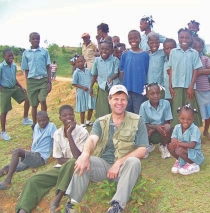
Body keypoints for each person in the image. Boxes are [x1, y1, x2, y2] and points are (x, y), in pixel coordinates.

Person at [64, 85, 148, 213]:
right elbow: (92, 139)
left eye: (123, 99)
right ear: (109, 100)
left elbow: (142, 149)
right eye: (116, 99)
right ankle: (73, 204)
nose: (119, 103)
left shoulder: (137, 120)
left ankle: (116, 206)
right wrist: (85, 154)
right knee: (85, 160)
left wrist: (119, 163)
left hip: (124, 168)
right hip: (103, 167)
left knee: (134, 162)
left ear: (127, 101)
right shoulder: (100, 121)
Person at [15, 105, 88, 213]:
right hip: (62, 167)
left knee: (73, 161)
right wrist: (68, 162)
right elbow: (59, 160)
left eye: (71, 114)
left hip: (78, 169)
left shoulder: (83, 132)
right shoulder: (57, 134)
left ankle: (56, 200)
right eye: (64, 115)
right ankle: (23, 209)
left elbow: (78, 158)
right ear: (60, 118)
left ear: (74, 115)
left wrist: (69, 134)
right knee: (33, 180)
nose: (68, 117)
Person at [0, 111, 56, 190]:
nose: (42, 122)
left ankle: (7, 181)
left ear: (48, 119)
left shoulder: (51, 126)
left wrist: (57, 155)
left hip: (40, 158)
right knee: (8, 167)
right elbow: (34, 140)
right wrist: (29, 154)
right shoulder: (36, 126)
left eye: (44, 120)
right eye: (39, 121)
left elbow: (55, 140)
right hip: (33, 155)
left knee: (17, 151)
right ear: (36, 120)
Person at [168, 28, 203, 127]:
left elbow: (196, 70)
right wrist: (170, 85)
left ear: (191, 38)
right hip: (176, 85)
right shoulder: (173, 52)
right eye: (181, 37)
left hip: (189, 87)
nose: (184, 39)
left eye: (187, 37)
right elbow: (171, 69)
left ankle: (192, 133)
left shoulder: (194, 53)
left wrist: (191, 86)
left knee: (190, 109)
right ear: (178, 38)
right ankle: (176, 133)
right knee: (177, 109)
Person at [21, 32, 52, 129]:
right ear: (30, 40)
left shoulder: (44, 52)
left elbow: (48, 67)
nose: (35, 40)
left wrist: (49, 81)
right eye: (33, 39)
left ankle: (45, 121)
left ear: (39, 40)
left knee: (42, 100)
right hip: (31, 81)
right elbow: (26, 69)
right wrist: (27, 83)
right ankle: (35, 123)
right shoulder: (26, 53)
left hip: (43, 79)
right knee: (33, 104)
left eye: (37, 39)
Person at [0, 49, 33, 141]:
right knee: (4, 111)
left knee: (27, 99)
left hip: (14, 87)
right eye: (8, 56)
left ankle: (25, 119)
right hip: (5, 90)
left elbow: (14, 78)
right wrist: (2, 89)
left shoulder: (14, 66)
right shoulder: (1, 67)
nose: (11, 57)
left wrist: (21, 87)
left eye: (12, 56)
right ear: (4, 57)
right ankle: (3, 132)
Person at [168, 104, 204, 175]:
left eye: (189, 119)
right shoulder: (177, 127)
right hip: (184, 151)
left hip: (195, 154)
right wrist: (173, 142)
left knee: (179, 149)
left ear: (193, 119)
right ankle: (180, 161)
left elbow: (192, 145)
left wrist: (178, 143)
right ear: (178, 117)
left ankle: (193, 164)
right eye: (182, 118)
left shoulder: (195, 129)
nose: (185, 121)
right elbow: (173, 138)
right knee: (170, 147)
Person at [139, 83, 173, 159]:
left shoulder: (166, 103)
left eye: (158, 93)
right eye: (152, 94)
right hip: (149, 130)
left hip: (162, 130)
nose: (156, 95)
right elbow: (145, 123)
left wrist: (155, 129)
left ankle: (163, 145)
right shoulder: (143, 106)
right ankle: (148, 145)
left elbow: (167, 121)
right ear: (147, 95)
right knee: (141, 128)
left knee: (168, 127)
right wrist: (155, 127)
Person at [119, 30, 149, 114]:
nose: (133, 40)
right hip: (127, 89)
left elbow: (146, 71)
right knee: (127, 112)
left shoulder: (145, 55)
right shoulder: (125, 54)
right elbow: (122, 72)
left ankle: (138, 127)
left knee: (138, 113)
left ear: (140, 39)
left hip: (139, 89)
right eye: (130, 38)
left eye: (136, 38)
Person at [192, 37, 210, 140]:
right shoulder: (190, 58)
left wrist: (200, 72)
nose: (197, 49)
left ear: (202, 48)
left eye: (200, 47)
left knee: (208, 111)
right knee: (196, 112)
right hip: (194, 90)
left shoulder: (205, 59)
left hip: (205, 89)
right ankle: (196, 134)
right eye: (195, 47)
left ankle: (206, 131)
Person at [90, 41, 120, 118]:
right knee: (102, 107)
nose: (104, 51)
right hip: (102, 87)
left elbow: (116, 73)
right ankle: (103, 123)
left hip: (113, 87)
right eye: (102, 49)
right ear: (99, 49)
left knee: (113, 105)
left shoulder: (115, 60)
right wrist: (91, 87)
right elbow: (94, 74)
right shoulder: (97, 60)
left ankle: (114, 122)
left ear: (111, 50)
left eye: (107, 49)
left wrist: (111, 78)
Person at [72, 56, 95, 128]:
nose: (80, 63)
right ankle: (82, 123)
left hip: (89, 92)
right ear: (76, 63)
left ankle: (88, 121)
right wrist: (82, 87)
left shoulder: (88, 70)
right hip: (81, 92)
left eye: (82, 61)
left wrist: (91, 87)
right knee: (83, 108)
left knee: (91, 107)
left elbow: (92, 79)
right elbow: (74, 83)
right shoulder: (76, 72)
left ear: (84, 61)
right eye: (78, 62)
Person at [163, 38, 177, 103]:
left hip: (176, 92)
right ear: (164, 50)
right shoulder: (163, 61)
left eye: (172, 48)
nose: (170, 50)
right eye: (167, 48)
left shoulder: (178, 61)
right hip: (165, 93)